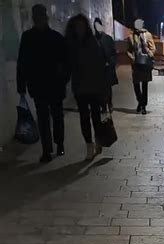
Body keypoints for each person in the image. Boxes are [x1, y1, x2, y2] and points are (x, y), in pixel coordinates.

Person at [17, 4, 69, 163]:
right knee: (52, 116)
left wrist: (22, 84)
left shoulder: (29, 37)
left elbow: (23, 63)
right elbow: (22, 63)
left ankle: (51, 148)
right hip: (49, 85)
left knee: (47, 117)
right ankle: (54, 146)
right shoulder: (55, 37)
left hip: (43, 84)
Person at [65, 14, 107, 161]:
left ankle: (98, 140)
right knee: (84, 117)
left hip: (94, 86)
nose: (80, 29)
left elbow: (99, 64)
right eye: (77, 27)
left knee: (95, 116)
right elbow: (68, 65)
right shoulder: (71, 44)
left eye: (82, 26)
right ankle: (89, 145)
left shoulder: (93, 42)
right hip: (80, 87)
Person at [127, 18, 156, 115]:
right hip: (136, 63)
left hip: (145, 63)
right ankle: (140, 101)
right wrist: (132, 58)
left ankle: (143, 106)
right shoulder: (131, 36)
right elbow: (128, 50)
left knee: (144, 85)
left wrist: (149, 53)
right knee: (136, 84)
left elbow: (153, 48)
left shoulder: (147, 35)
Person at [93, 18, 118, 112]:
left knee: (107, 88)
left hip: (107, 67)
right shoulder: (93, 39)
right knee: (100, 88)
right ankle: (103, 105)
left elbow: (113, 52)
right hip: (98, 68)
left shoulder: (108, 38)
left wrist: (111, 63)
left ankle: (109, 103)